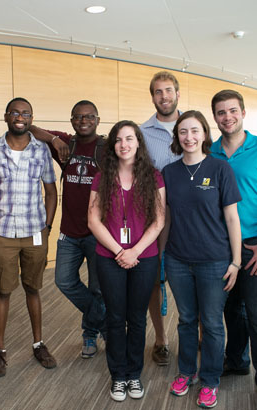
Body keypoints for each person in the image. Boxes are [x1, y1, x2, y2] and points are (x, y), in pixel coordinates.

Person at [210, 90, 257, 410]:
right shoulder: (209, 152)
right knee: (231, 310)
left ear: (243, 113)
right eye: (221, 112)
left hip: (256, 244)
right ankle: (237, 360)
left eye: (232, 111)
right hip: (221, 246)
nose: (227, 117)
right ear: (214, 117)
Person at [162, 110, 241, 408]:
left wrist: (235, 262)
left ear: (205, 135)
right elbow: (166, 218)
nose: (189, 137)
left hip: (214, 260)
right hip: (179, 260)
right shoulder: (169, 173)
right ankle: (186, 372)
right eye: (183, 132)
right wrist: (161, 254)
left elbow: (232, 218)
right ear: (177, 137)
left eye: (195, 131)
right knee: (185, 320)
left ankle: (210, 380)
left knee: (211, 323)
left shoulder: (220, 169)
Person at [88, 120, 166, 402]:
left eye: (130, 139)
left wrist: (134, 251)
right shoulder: (102, 177)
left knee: (136, 318)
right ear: (113, 145)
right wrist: (119, 251)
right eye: (119, 139)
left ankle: (134, 374)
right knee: (115, 317)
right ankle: (118, 376)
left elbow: (158, 222)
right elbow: (93, 220)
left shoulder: (153, 177)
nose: (124, 144)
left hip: (144, 257)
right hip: (109, 258)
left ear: (138, 143)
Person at [0, 97, 58, 378]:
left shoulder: (41, 152)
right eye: (15, 112)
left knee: (33, 289)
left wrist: (46, 227)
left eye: (26, 113)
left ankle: (38, 344)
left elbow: (51, 192)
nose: (20, 116)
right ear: (6, 116)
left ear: (31, 118)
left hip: (35, 231)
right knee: (2, 291)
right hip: (2, 233)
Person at [29, 100, 107, 359]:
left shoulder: (106, 147)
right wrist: (54, 140)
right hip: (69, 233)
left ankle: (89, 335)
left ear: (97, 119)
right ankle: (105, 323)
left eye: (89, 117)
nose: (83, 121)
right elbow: (30, 128)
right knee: (64, 281)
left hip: (99, 233)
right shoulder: (68, 144)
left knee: (98, 288)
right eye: (78, 117)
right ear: (72, 120)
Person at [139, 70, 183, 366]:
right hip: (154, 220)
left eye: (168, 90)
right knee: (155, 282)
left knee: (193, 281)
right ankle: (161, 340)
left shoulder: (194, 126)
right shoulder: (142, 132)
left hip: (193, 220)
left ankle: (201, 335)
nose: (164, 96)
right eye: (158, 91)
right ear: (152, 96)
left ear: (177, 93)